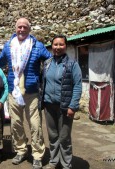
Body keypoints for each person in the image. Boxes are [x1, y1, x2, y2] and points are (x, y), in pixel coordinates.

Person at [0, 18, 52, 169]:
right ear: (15, 29)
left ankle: (37, 155)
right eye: (19, 27)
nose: (21, 29)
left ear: (29, 29)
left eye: (24, 27)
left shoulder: (37, 46)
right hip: (13, 92)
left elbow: (50, 61)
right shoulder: (8, 46)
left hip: (32, 92)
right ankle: (20, 150)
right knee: (16, 123)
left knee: (35, 124)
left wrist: (43, 78)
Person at [40, 35, 82, 169]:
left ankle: (66, 164)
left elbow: (77, 86)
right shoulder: (47, 63)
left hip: (65, 106)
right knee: (52, 136)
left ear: (66, 46)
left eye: (61, 45)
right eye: (55, 45)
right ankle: (53, 161)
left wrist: (73, 106)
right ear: (52, 46)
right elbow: (43, 82)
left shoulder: (72, 64)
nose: (58, 47)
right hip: (49, 105)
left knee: (64, 137)